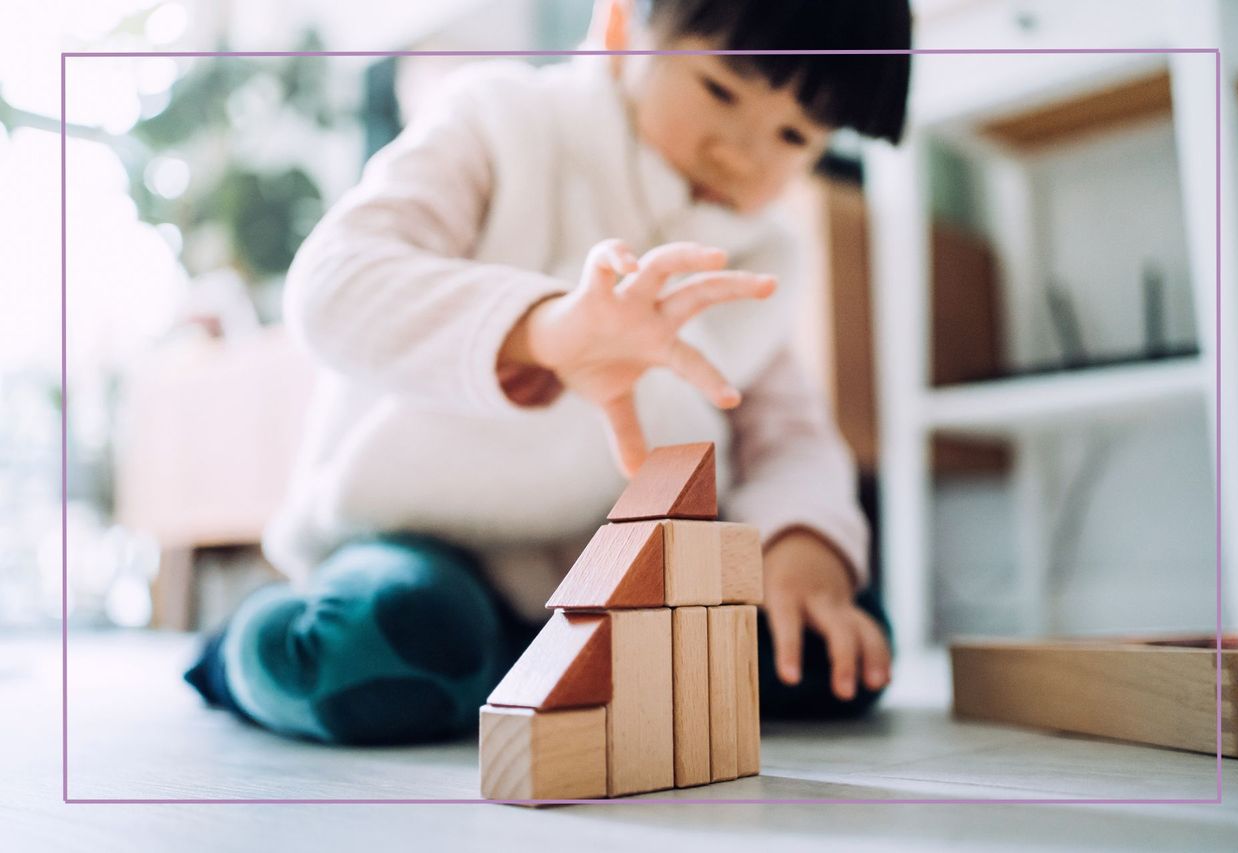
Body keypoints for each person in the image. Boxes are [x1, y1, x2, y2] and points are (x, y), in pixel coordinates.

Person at [184, 0, 912, 745]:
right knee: (376, 641)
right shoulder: (502, 120)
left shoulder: (760, 256)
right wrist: (543, 330)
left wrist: (802, 546)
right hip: (423, 540)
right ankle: (244, 646)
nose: (742, 156)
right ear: (623, 27)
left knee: (831, 643)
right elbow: (336, 282)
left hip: (619, 583)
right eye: (720, 90)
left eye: (793, 135)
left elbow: (787, 433)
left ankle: (531, 673)